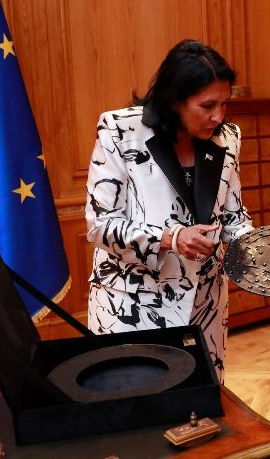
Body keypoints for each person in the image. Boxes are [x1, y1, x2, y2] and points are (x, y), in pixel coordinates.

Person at [85, 39, 253, 382]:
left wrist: (263, 251)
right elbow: (100, 225)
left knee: (201, 403)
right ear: (175, 99)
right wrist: (171, 238)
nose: (219, 116)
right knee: (138, 404)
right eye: (207, 105)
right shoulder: (120, 130)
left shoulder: (228, 137)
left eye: (224, 103)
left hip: (206, 305)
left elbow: (233, 217)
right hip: (132, 304)